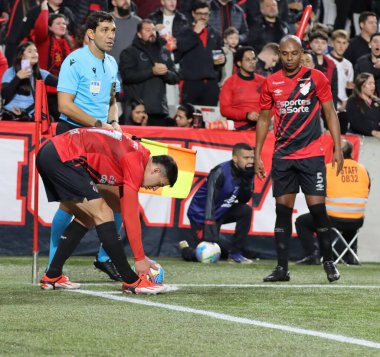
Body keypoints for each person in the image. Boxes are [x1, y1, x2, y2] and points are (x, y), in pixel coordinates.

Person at [37, 127, 178, 294]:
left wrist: (141, 256)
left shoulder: (138, 155)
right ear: (155, 170)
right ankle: (131, 281)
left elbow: (126, 207)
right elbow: (130, 215)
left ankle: (52, 275)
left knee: (86, 217)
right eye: (159, 184)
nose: (154, 189)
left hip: (55, 153)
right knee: (104, 212)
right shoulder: (135, 161)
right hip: (62, 156)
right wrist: (139, 259)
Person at [254, 35, 344, 283]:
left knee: (318, 210)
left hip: (311, 154)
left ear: (301, 52)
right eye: (285, 54)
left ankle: (328, 261)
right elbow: (263, 119)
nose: (290, 58)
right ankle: (282, 269)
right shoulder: (271, 83)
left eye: (294, 53)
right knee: (282, 212)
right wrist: (257, 154)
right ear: (279, 54)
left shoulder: (316, 78)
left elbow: (330, 112)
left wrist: (337, 147)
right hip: (283, 156)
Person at [49, 11, 122, 282]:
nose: (111, 35)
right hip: (72, 134)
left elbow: (112, 97)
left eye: (113, 30)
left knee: (118, 198)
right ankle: (52, 265)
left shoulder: (112, 63)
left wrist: (113, 121)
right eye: (104, 30)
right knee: (70, 206)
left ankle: (105, 258)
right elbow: (64, 106)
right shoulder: (74, 60)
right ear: (90, 33)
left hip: (100, 136)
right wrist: (98, 123)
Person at [295, 138, 370, 265]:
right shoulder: (363, 170)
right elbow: (367, 192)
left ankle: (313, 255)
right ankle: (351, 254)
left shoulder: (327, 169)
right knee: (349, 213)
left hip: (332, 220)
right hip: (357, 221)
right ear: (350, 153)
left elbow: (317, 193)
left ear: (334, 153)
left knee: (302, 222)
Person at [180, 142, 255, 264]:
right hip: (202, 215)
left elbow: (243, 200)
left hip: (220, 212)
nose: (250, 161)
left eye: (252, 158)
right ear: (235, 158)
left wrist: (248, 180)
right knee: (206, 255)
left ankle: (235, 253)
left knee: (246, 210)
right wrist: (209, 226)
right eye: (246, 158)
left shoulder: (245, 172)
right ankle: (186, 250)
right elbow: (210, 200)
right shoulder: (219, 171)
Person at [119, 19, 179, 126]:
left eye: (153, 30)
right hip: (136, 113)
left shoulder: (164, 51)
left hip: (159, 111)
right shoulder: (129, 52)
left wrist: (165, 73)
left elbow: (175, 78)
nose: (152, 32)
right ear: (139, 34)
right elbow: (127, 76)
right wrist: (151, 72)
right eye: (147, 30)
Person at [174, 0, 225, 106]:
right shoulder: (184, 32)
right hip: (191, 83)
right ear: (193, 14)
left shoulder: (216, 34)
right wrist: (195, 33)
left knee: (210, 119)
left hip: (210, 84)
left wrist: (222, 60)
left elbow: (219, 57)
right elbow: (179, 51)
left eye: (206, 14)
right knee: (189, 118)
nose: (203, 17)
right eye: (200, 14)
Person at [33, 10, 75, 120]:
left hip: (64, 90)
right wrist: (44, 9)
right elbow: (40, 27)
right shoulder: (44, 40)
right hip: (46, 90)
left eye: (64, 23)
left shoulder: (70, 43)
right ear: (49, 27)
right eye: (58, 23)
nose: (62, 26)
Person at [1, 41, 57, 121]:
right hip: (11, 115)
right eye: (30, 51)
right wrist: (17, 78)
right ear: (21, 56)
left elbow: (60, 83)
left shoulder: (41, 73)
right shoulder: (11, 72)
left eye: (36, 51)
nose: (34, 54)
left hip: (31, 116)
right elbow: (4, 95)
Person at [219, 46, 266, 130]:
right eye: (248, 60)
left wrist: (263, 116)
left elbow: (272, 105)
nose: (252, 62)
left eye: (254, 59)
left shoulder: (264, 82)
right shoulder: (229, 83)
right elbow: (224, 110)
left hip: (261, 127)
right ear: (239, 63)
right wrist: (246, 115)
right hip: (238, 129)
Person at [326, 30, 354, 113]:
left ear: (347, 45)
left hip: (343, 107)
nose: (341, 46)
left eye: (344, 43)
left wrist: (346, 101)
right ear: (332, 43)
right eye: (338, 42)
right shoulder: (325, 60)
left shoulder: (348, 64)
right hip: (328, 106)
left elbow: (349, 87)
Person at [309, 30, 339, 109]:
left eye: (323, 43)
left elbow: (333, 89)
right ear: (310, 44)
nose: (320, 45)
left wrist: (333, 108)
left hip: (326, 105)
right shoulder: (305, 62)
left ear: (326, 45)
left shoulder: (331, 65)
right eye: (316, 42)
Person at [346, 73, 380, 139]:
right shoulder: (352, 101)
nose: (373, 86)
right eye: (370, 83)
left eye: (373, 83)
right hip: (358, 138)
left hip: (375, 139)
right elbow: (356, 122)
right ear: (361, 85)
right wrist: (372, 132)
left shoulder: (377, 101)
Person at [109, 0, 141, 64]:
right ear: (114, 2)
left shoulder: (138, 22)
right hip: (110, 69)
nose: (126, 1)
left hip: (132, 69)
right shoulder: (104, 21)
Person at [354, 32, 380, 97]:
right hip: (365, 101)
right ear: (369, 44)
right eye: (375, 41)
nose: (378, 44)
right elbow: (357, 84)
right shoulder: (361, 62)